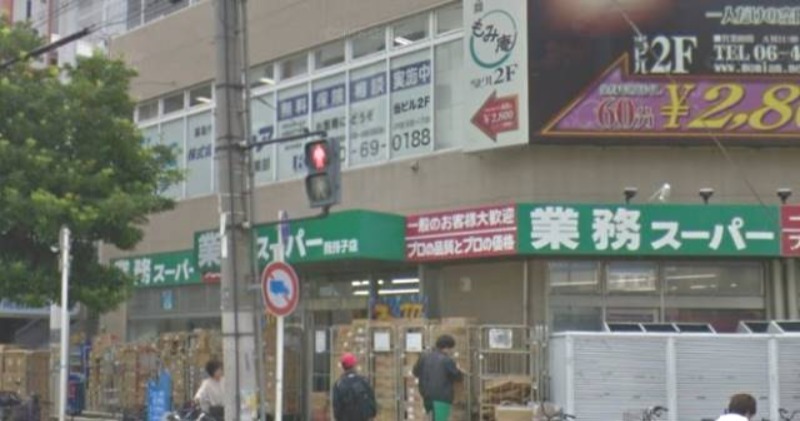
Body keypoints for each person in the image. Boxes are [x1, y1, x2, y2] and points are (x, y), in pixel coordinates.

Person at [413, 335, 464, 421]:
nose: (451, 351)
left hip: (426, 396)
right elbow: (458, 376)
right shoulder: (447, 360)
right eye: (451, 349)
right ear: (447, 348)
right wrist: (458, 369)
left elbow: (415, 372)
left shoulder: (423, 357)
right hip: (442, 397)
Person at [332, 353, 377, 421]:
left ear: (343, 367)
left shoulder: (338, 385)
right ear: (354, 365)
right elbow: (372, 404)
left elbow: (337, 410)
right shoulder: (364, 382)